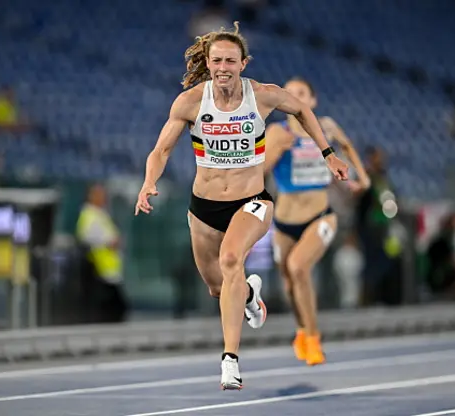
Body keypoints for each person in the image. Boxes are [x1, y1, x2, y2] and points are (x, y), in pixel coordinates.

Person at [134, 22, 349, 390]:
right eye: (216, 60)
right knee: (218, 288)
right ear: (207, 60)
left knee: (231, 259)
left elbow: (302, 111)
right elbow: (161, 150)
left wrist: (328, 153)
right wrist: (148, 182)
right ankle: (249, 294)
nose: (223, 67)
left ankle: (230, 361)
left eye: (230, 61)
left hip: (251, 201)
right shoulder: (189, 102)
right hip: (203, 207)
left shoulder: (263, 96)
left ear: (243, 63)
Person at [264, 77, 371, 366]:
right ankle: (302, 330)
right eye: (289, 93)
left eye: (301, 93)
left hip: (320, 215)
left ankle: (313, 338)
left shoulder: (326, 128)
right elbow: (258, 171)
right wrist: (276, 152)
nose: (294, 97)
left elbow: (346, 146)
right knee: (288, 283)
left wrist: (362, 177)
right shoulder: (277, 132)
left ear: (312, 101)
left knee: (298, 267)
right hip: (284, 221)